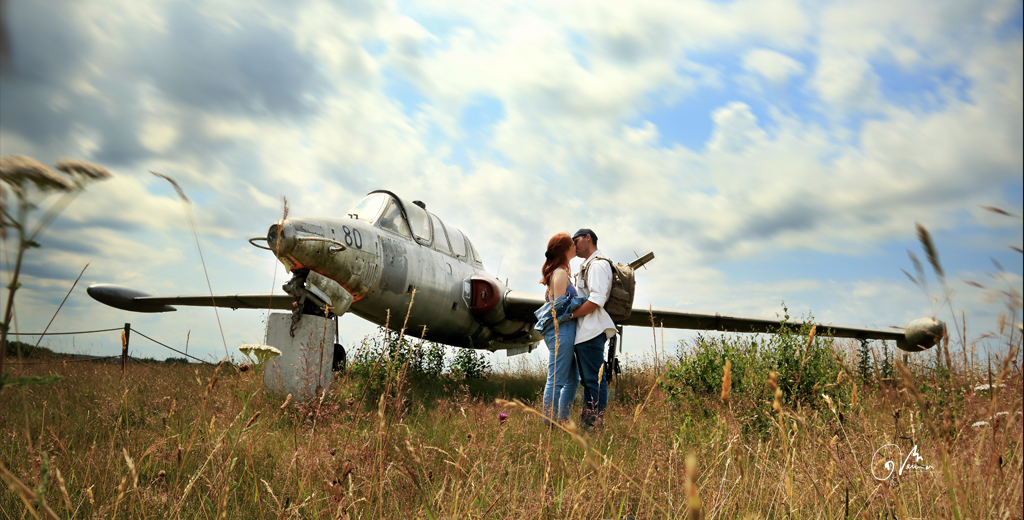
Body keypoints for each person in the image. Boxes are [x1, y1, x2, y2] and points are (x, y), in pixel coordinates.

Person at [533, 232, 585, 423]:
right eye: (572, 244)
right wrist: (587, 301)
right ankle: (549, 424)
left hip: (564, 331)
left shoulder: (560, 273)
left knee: (572, 380)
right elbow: (561, 307)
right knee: (556, 381)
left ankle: (562, 421)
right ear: (565, 250)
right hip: (561, 331)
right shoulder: (561, 273)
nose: (575, 247)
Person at [570, 228, 616, 427]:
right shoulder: (588, 265)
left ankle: (594, 425)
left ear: (588, 238)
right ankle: (588, 423)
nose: (573, 245)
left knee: (594, 382)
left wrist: (569, 316)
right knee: (589, 381)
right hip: (587, 332)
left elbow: (597, 300)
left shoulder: (597, 266)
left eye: (576, 240)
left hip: (591, 331)